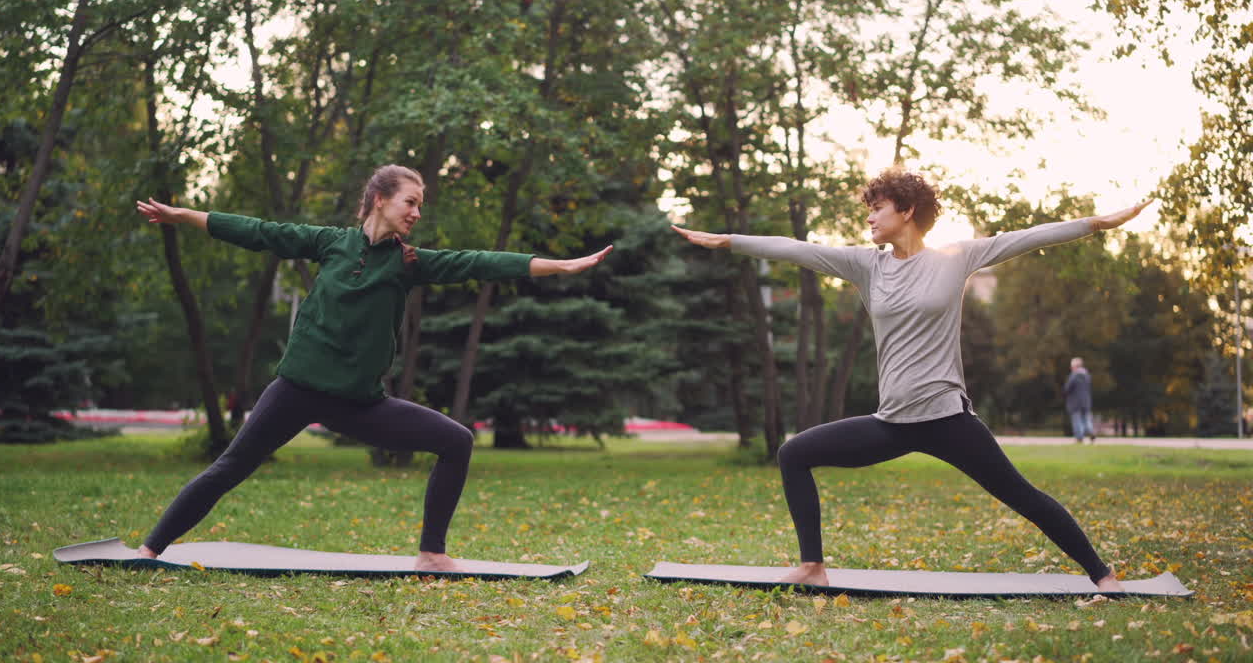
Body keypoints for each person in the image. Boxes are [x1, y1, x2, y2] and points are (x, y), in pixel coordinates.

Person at [673, 168, 1149, 593]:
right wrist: (730, 240)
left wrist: (1095, 224)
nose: (869, 218)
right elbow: (797, 249)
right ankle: (812, 565)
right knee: (793, 454)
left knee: (1021, 495)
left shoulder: (956, 257)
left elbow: (1025, 237)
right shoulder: (867, 265)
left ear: (906, 209)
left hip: (947, 419)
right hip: (893, 422)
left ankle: (1102, 575)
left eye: (877, 208)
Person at [134, 164, 611, 572]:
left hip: (358, 403)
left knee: (457, 442)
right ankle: (150, 548)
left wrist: (559, 266)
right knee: (231, 467)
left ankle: (432, 554)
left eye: (420, 204)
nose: (417, 213)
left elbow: (479, 262)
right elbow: (259, 231)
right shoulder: (331, 244)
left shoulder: (408, 263)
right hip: (296, 389)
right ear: (380, 199)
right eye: (411, 202)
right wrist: (181, 216)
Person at [1064, 357, 1095, 443]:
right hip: (1086, 401)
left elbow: (1067, 388)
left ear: (1074, 366)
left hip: (1075, 402)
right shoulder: (1087, 376)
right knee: (1086, 419)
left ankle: (1079, 437)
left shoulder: (1073, 376)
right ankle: (1091, 431)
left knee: (1077, 420)